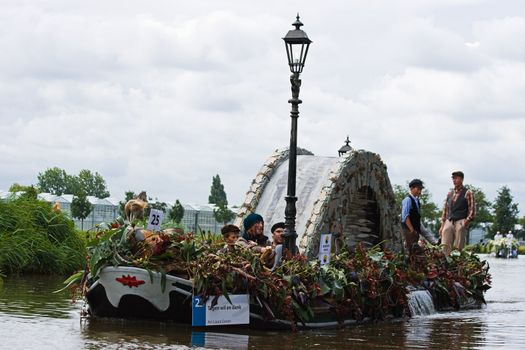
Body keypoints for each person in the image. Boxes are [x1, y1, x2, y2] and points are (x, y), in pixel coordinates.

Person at [439, 171, 476, 255]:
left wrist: (466, 222)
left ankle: (457, 261)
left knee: (458, 246)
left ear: (461, 179)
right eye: (453, 178)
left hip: (461, 220)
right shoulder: (450, 193)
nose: (454, 180)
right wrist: (442, 225)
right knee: (444, 243)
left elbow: (472, 210)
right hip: (449, 220)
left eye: (456, 178)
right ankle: (445, 260)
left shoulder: (468, 192)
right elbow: (445, 210)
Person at [401, 179, 430, 255]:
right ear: (411, 188)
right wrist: (412, 230)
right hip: (408, 230)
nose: (420, 191)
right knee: (409, 249)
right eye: (418, 189)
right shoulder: (407, 200)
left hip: (415, 230)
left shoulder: (416, 200)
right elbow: (405, 216)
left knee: (413, 250)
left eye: (420, 189)